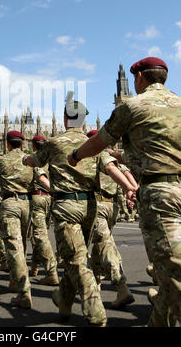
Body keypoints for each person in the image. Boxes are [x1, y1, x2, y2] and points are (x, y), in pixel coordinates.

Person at [68, 57, 181, 327]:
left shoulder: (133, 106)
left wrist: (76, 154)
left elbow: (99, 142)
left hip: (160, 194)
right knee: (167, 270)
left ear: (139, 78)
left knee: (173, 270)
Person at [23, 95, 137, 326]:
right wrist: (128, 187)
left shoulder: (54, 143)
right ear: (84, 120)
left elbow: (35, 161)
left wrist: (25, 159)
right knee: (75, 253)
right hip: (90, 208)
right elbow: (110, 167)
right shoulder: (93, 143)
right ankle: (63, 301)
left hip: (67, 207)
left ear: (65, 119)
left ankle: (96, 313)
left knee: (75, 260)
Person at [0, 131, 34, 308]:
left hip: (10, 203)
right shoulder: (31, 160)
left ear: (7, 144)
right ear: (23, 144)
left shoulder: (1, 160)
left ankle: (24, 292)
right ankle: (13, 280)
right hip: (28, 205)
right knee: (22, 245)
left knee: (13, 245)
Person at [86, 129, 135, 309]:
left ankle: (122, 287)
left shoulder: (91, 157)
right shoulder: (110, 156)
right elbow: (126, 171)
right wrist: (132, 188)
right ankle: (95, 283)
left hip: (98, 205)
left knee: (105, 244)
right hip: (112, 206)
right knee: (100, 246)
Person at [29, 135, 59, 286]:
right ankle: (34, 267)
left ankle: (51, 271)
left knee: (40, 235)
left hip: (39, 198)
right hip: (49, 200)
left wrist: (54, 190)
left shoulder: (37, 161)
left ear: (34, 147)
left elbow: (41, 179)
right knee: (39, 232)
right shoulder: (52, 161)